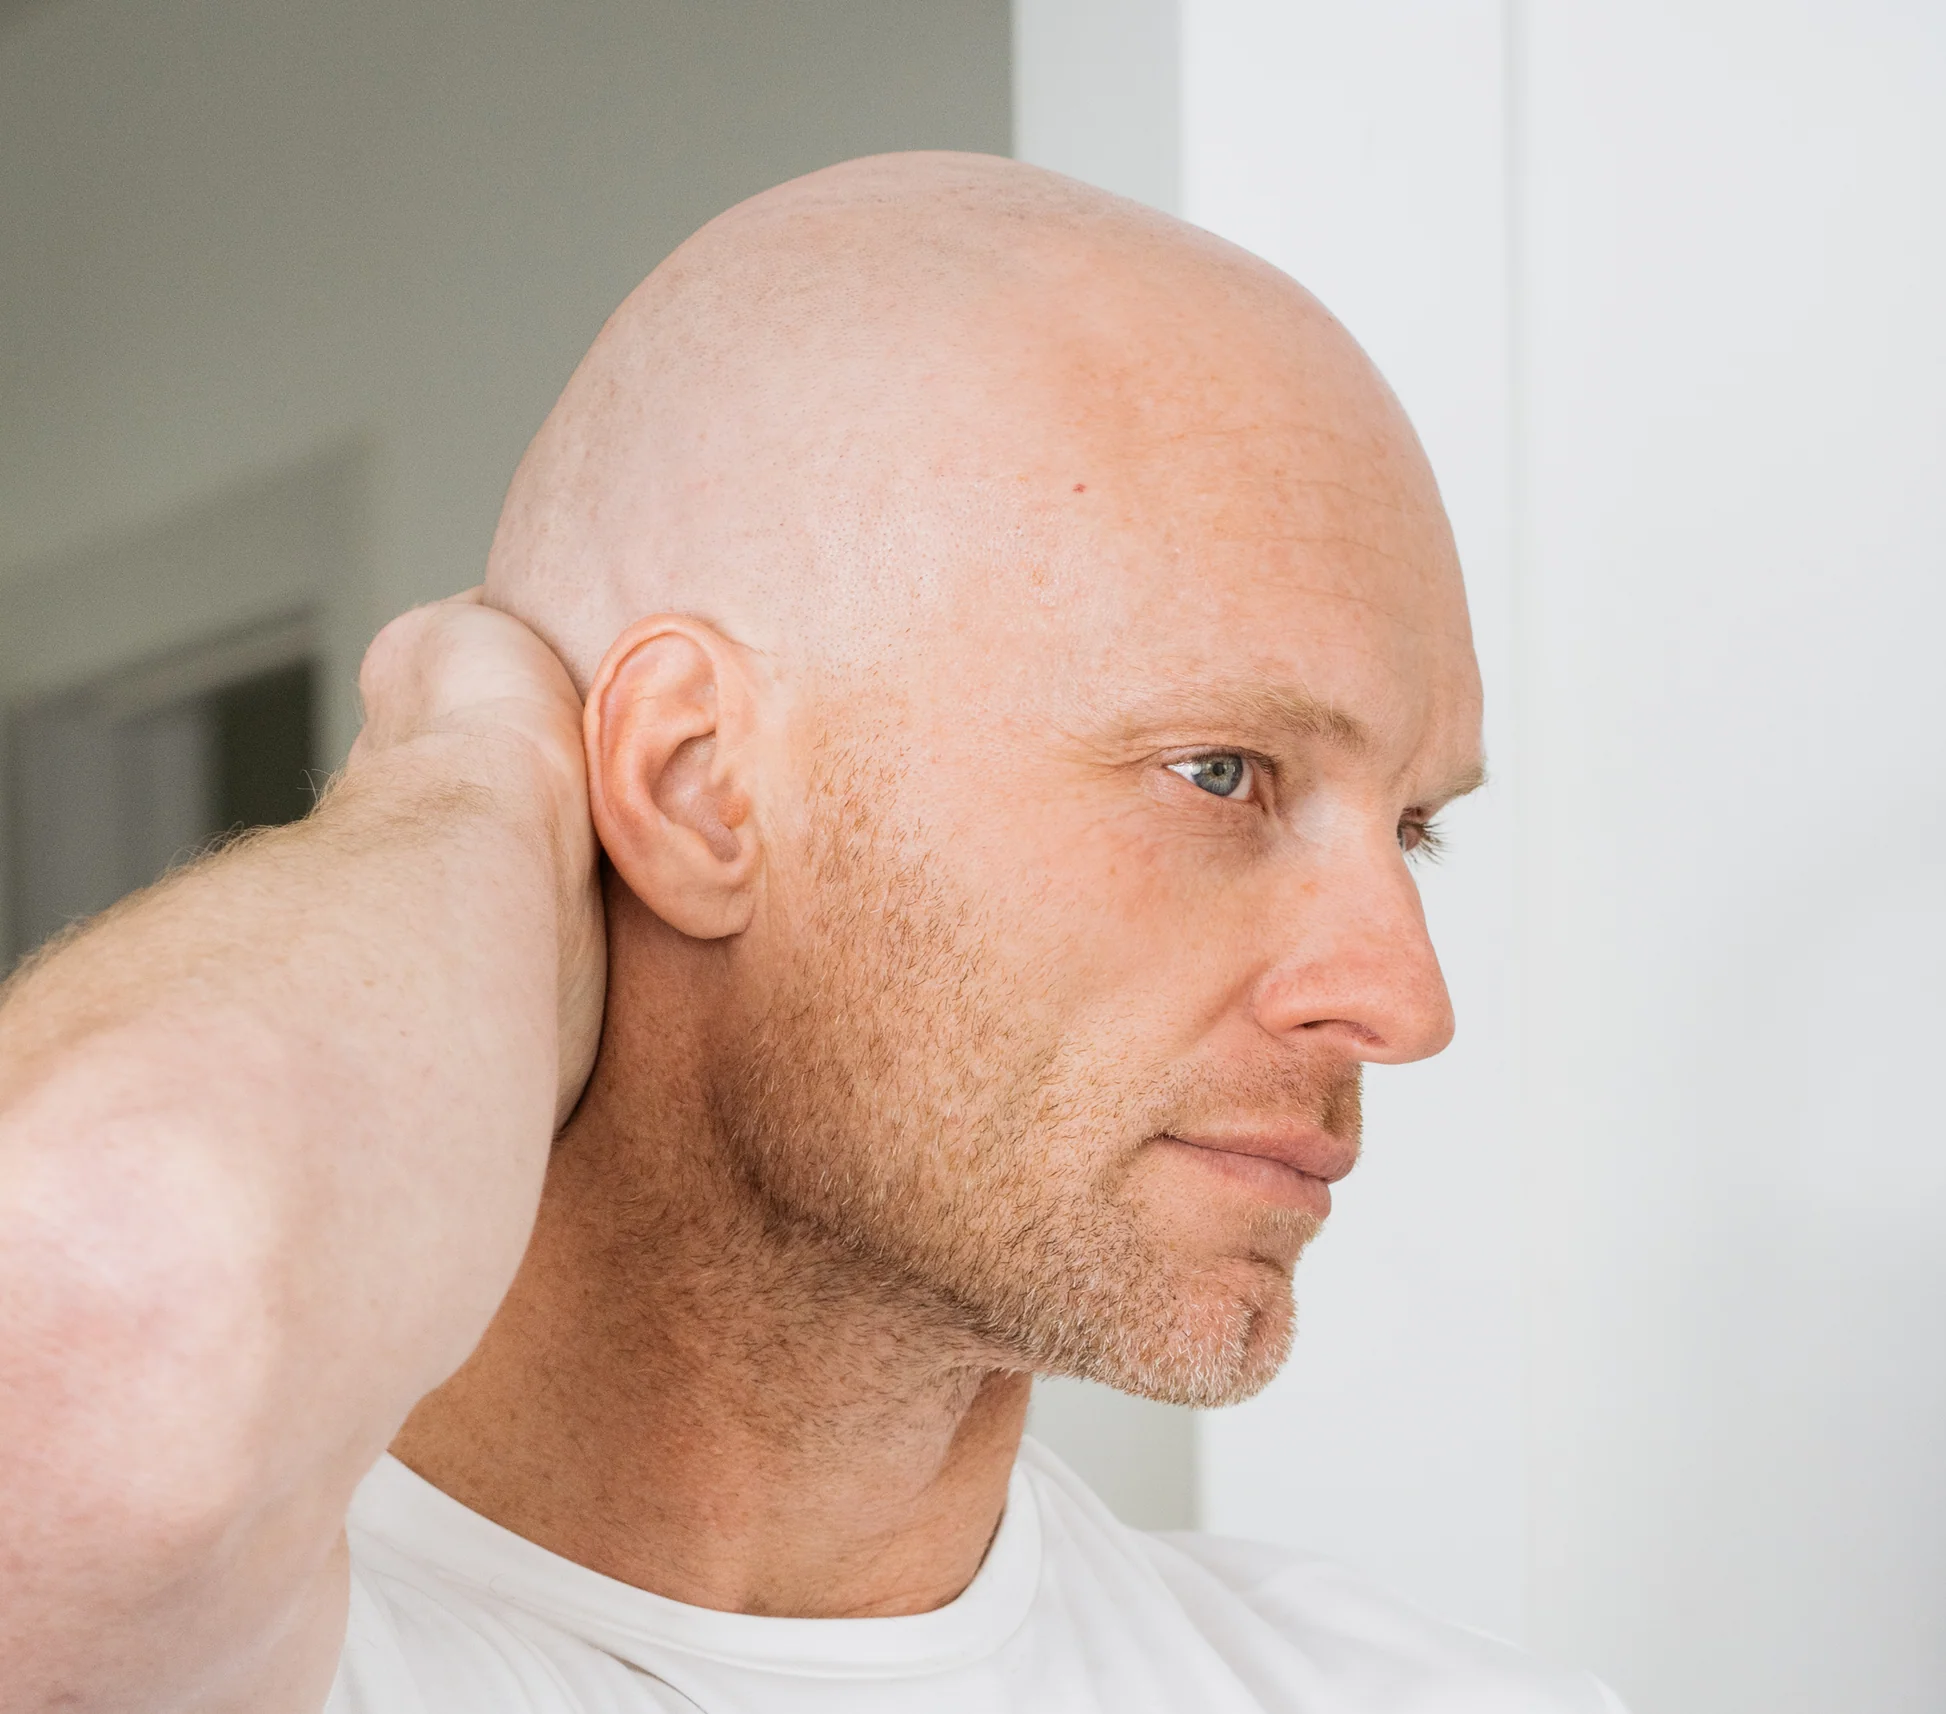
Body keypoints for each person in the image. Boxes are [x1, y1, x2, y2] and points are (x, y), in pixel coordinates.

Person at [0, 153, 1625, 1714]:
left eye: (1411, 824)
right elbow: (109, 1276)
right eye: (1220, 773)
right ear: (697, 782)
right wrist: (470, 779)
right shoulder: (152, 1653)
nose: (1403, 1000)